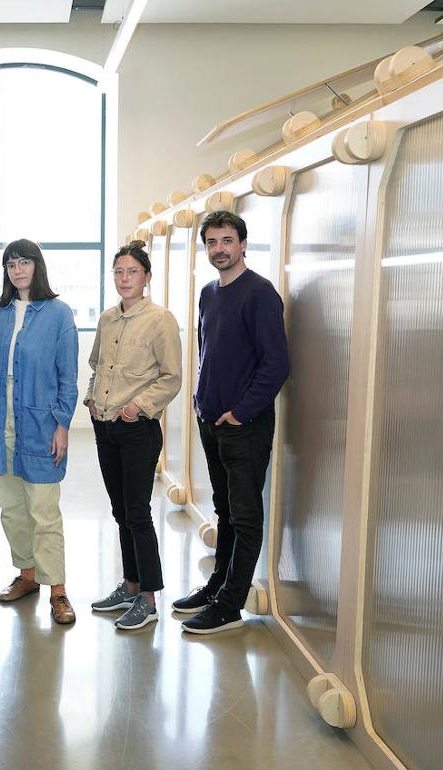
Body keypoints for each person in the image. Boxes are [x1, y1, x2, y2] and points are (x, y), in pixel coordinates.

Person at [175, 210, 289, 635]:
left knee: (244, 516)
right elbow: (208, 353)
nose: (219, 249)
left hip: (245, 426)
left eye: (227, 241)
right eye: (212, 242)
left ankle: (229, 606)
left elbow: (276, 364)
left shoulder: (260, 293)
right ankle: (217, 587)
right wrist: (200, 400)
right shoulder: (209, 293)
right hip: (211, 420)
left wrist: (241, 412)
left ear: (243, 245)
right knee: (223, 510)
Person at [0, 239, 79, 625]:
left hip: (40, 422)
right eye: (11, 264)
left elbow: (68, 376)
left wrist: (62, 424)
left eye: (24, 262)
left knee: (43, 509)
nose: (17, 270)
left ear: (37, 266)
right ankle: (27, 575)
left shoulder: (59, 314)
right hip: (0, 418)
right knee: (12, 506)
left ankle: (58, 590)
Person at [85, 241, 182, 631]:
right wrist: (91, 398)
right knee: (120, 510)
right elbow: (97, 365)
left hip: (137, 429)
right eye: (119, 272)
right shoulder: (108, 319)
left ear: (147, 277)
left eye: (133, 272)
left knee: (138, 513)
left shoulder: (160, 320)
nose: (125, 278)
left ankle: (149, 598)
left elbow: (171, 378)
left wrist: (138, 406)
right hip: (105, 426)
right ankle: (130, 585)